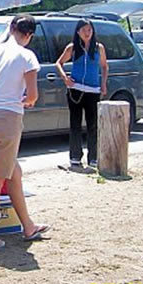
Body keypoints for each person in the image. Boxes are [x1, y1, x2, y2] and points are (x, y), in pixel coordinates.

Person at [0, 14, 50, 249]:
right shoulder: (27, 56)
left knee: (13, 171)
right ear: (29, 35)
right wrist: (23, 101)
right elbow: (33, 95)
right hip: (8, 119)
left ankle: (28, 226)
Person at [54, 19, 109, 171]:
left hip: (93, 90)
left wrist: (104, 83)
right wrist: (65, 78)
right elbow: (58, 63)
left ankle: (93, 158)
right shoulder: (72, 47)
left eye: (89, 29)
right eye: (84, 30)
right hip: (75, 90)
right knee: (75, 124)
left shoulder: (98, 48)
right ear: (78, 32)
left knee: (93, 125)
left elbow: (104, 66)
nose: (87, 33)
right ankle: (75, 157)